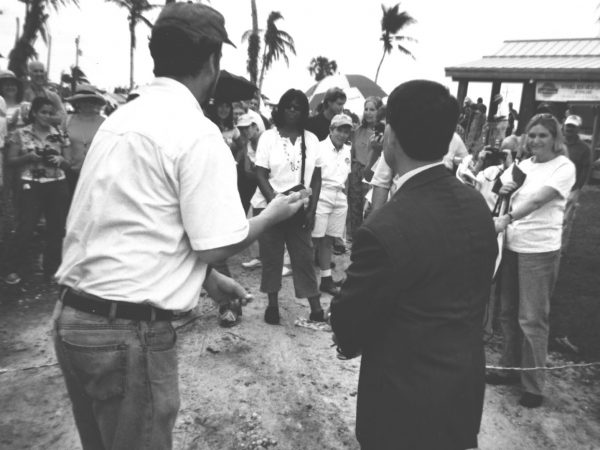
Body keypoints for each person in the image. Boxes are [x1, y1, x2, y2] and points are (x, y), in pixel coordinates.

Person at [52, 4, 306, 449]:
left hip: (74, 320)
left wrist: (209, 280)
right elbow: (216, 242)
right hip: (125, 334)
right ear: (212, 61)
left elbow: (131, 229)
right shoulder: (195, 131)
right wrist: (271, 216)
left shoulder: (120, 121)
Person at [330, 80, 498, 450]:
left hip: (401, 405)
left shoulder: (385, 226)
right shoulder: (475, 206)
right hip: (462, 393)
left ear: (390, 134)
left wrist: (343, 331)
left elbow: (351, 320)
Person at [487, 113, 575, 408]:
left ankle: (533, 384)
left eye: (543, 135)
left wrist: (507, 217)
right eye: (532, 135)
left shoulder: (563, 167)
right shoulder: (522, 165)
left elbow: (539, 200)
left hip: (539, 250)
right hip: (512, 245)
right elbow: (501, 188)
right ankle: (510, 369)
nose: (536, 140)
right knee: (507, 313)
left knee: (532, 318)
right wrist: (503, 189)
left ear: (555, 138)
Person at [252, 89, 325, 325]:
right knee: (272, 257)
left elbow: (316, 177)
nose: (293, 111)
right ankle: (272, 306)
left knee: (303, 256)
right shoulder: (268, 138)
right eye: (289, 106)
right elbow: (260, 173)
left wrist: (312, 209)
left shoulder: (311, 140)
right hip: (270, 205)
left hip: (299, 206)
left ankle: (315, 308)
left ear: (304, 112)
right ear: (281, 108)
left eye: (298, 107)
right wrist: (274, 201)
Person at [4, 97, 70, 285]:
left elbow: (68, 163)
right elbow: (10, 160)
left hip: (56, 183)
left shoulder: (59, 133)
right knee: (26, 227)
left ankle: (52, 269)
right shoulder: (20, 133)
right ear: (34, 113)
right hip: (30, 184)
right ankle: (13, 267)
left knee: (56, 228)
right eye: (43, 112)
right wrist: (28, 157)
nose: (47, 116)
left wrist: (60, 160)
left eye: (51, 113)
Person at [312, 113, 352, 296]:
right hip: (322, 193)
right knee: (315, 238)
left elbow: (347, 176)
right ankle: (309, 280)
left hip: (339, 195)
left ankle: (326, 280)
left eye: (346, 131)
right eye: (339, 130)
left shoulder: (347, 150)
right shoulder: (319, 148)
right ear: (331, 129)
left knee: (328, 240)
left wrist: (345, 197)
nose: (343, 135)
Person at [348, 96, 382, 237]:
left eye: (372, 109)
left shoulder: (382, 132)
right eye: (366, 109)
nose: (368, 112)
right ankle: (355, 239)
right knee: (355, 208)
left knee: (368, 209)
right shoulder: (356, 131)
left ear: (379, 111)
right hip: (356, 172)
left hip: (374, 174)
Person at [62, 84, 106, 195]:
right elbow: (61, 143)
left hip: (95, 172)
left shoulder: (104, 122)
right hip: (71, 172)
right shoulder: (67, 121)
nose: (87, 104)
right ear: (77, 103)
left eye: (90, 100)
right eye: (82, 101)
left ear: (95, 103)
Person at [561, 114, 591, 254]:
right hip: (554, 187)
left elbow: (585, 169)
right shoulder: (556, 142)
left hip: (571, 189)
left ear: (578, 129)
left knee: (565, 220)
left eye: (573, 127)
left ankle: (561, 248)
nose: (569, 129)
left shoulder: (584, 148)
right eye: (568, 126)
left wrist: (578, 189)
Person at [22, 61, 66, 126]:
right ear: (29, 74)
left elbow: (63, 117)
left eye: (41, 71)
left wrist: (41, 117)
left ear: (45, 74)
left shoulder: (53, 96)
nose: (39, 74)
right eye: (35, 71)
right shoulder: (23, 94)